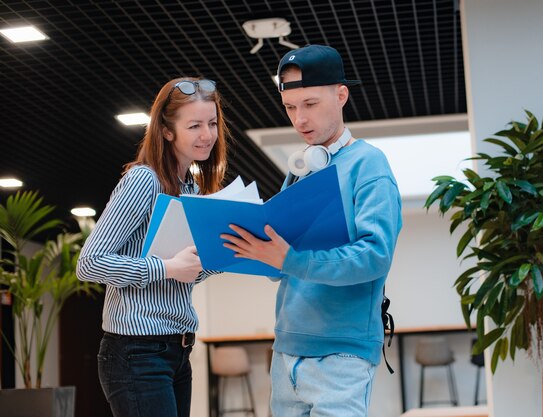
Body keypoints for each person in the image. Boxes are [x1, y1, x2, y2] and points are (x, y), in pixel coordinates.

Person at [221, 45, 403, 416]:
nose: (299, 119)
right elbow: (286, 263)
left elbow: (375, 256)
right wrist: (260, 253)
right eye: (290, 108)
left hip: (341, 353)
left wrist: (291, 259)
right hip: (286, 351)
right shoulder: (302, 169)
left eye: (310, 104)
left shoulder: (369, 165)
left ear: (341, 95)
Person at [77, 77, 228, 417]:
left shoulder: (190, 189)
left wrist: (221, 255)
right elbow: (89, 263)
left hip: (178, 349)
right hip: (136, 352)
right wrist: (168, 268)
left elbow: (184, 274)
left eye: (212, 123)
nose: (207, 134)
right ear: (167, 131)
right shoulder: (143, 180)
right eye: (194, 125)